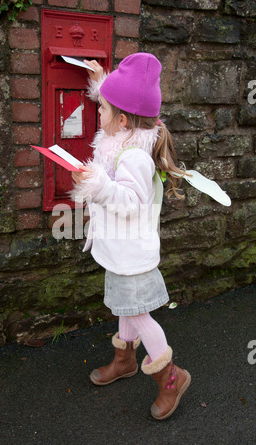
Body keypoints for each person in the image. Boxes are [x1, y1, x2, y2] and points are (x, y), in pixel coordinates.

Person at [70, 53, 191, 421]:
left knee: (138, 314)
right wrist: (101, 81)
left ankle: (172, 377)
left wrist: (96, 183)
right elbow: (118, 107)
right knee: (124, 306)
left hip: (131, 254)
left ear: (122, 120)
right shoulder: (121, 139)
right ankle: (125, 360)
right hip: (119, 250)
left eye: (102, 109)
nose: (97, 114)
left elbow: (129, 202)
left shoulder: (134, 158)